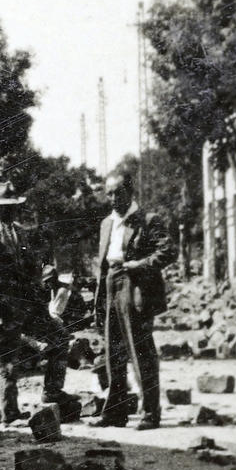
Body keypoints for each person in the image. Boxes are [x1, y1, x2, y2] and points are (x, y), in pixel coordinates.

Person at [0, 180, 71, 422]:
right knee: (7, 365)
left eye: (13, 206)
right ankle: (9, 414)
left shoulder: (19, 232)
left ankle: (51, 391)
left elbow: (30, 268)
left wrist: (44, 275)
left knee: (60, 337)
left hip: (29, 307)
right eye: (5, 206)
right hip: (5, 310)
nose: (10, 210)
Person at [94, 169, 176, 429]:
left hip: (136, 287)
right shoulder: (106, 223)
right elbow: (103, 265)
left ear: (130, 191)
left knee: (141, 352)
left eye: (118, 192)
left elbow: (168, 251)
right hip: (111, 285)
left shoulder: (148, 220)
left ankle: (150, 413)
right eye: (109, 193)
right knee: (114, 354)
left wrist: (139, 264)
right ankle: (116, 413)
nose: (113, 198)